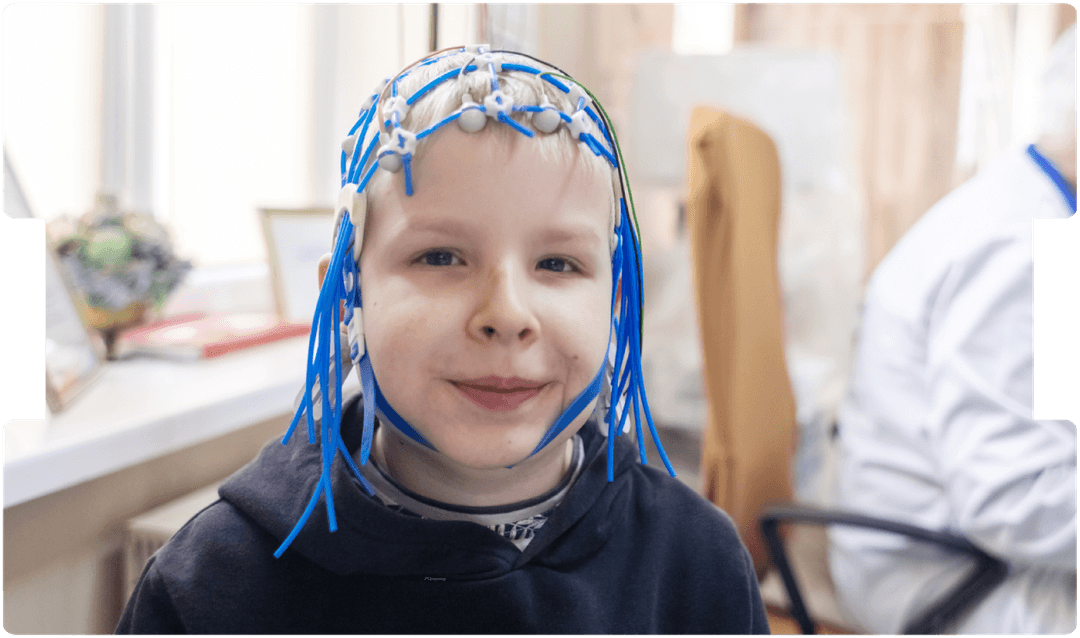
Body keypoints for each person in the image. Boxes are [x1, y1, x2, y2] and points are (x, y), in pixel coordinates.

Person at [115, 47, 768, 635]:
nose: (506, 315)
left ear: (618, 302)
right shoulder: (211, 585)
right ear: (346, 296)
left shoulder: (698, 564)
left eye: (558, 264)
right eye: (440, 257)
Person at [829, 25, 1077, 635]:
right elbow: (1012, 500)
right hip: (954, 583)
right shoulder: (1027, 246)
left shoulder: (1039, 213)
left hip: (972, 557)